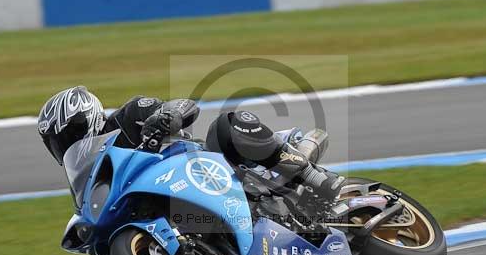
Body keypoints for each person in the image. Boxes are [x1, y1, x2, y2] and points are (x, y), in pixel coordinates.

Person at [37, 86, 343, 202]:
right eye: (58, 142)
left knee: (227, 125)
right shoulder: (90, 177)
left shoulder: (129, 116)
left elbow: (185, 105)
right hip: (172, 198)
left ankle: (313, 175)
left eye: (71, 131)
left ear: (87, 115)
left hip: (205, 166)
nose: (67, 143)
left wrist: (165, 118)